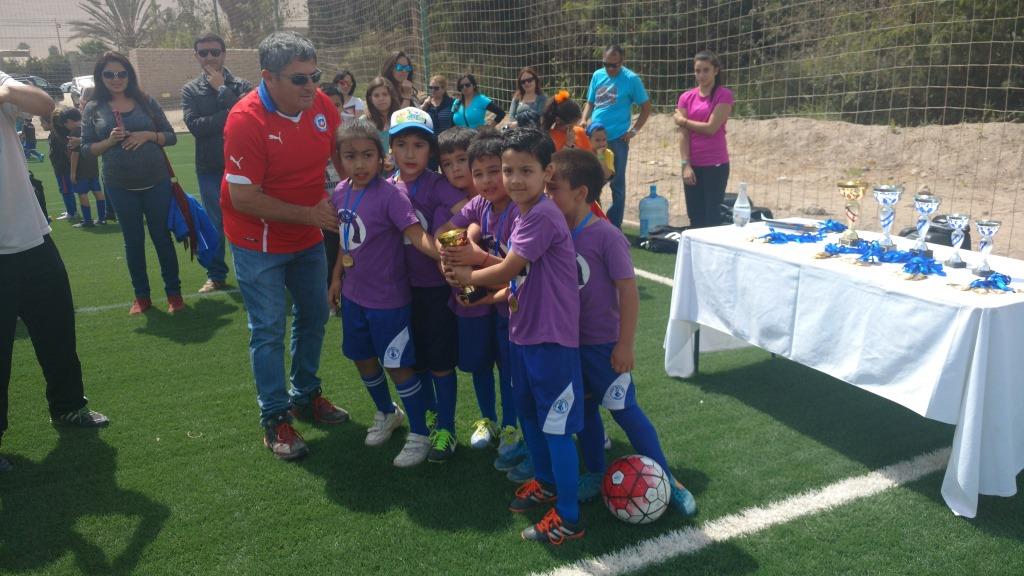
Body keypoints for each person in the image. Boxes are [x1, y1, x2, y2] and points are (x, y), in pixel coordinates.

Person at [544, 149, 698, 517]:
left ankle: (667, 479)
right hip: (568, 345)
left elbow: (628, 292)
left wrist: (625, 344)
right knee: (584, 411)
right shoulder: (555, 232)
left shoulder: (606, 236)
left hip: (603, 345)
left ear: (581, 193)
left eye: (554, 189)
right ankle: (596, 471)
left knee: (624, 410)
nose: (547, 195)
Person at [449, 128, 584, 544]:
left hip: (551, 340)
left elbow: (509, 268)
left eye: (526, 170)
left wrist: (467, 276)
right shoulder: (524, 213)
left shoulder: (542, 214)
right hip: (523, 333)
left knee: (556, 427)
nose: (514, 179)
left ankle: (569, 516)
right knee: (528, 414)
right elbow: (520, 276)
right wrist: (493, 292)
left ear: (547, 172)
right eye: (508, 170)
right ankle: (545, 482)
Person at [221, 31, 349, 461]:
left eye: (315, 75)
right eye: (299, 79)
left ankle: (306, 394)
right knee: (268, 328)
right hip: (256, 241)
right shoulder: (246, 120)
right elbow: (243, 198)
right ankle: (275, 417)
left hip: (306, 235)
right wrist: (312, 215)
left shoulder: (321, 105)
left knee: (315, 315)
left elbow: (340, 155)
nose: (310, 86)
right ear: (268, 77)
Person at [0, 69, 110, 473]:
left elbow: (45, 104)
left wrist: (4, 91)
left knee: (58, 331)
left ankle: (68, 406)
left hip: (32, 239)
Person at [327, 118, 443, 468]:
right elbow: (345, 241)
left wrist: (447, 256)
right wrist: (336, 278)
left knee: (398, 365)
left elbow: (417, 236)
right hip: (354, 296)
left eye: (367, 155)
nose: (359, 164)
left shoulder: (392, 196)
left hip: (388, 300)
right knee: (361, 357)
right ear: (339, 160)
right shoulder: (340, 192)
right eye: (350, 157)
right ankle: (387, 412)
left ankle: (420, 432)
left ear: (381, 158)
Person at [435, 130, 527, 474]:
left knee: (509, 368)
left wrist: (474, 259)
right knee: (479, 364)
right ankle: (487, 419)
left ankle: (511, 425)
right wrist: (452, 254)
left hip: (511, 306)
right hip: (480, 303)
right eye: (479, 174)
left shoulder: (521, 212)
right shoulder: (479, 205)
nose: (487, 181)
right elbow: (447, 230)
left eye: (494, 171)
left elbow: (517, 271)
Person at [386, 107, 466, 464]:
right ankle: (430, 416)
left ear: (430, 150)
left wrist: (447, 236)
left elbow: (469, 210)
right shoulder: (386, 186)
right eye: (401, 144)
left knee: (440, 362)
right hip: (397, 291)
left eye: (418, 145)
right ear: (390, 148)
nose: (409, 153)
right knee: (413, 360)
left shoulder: (437, 185)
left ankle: (447, 428)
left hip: (434, 289)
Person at [82, 52, 184, 314]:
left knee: (162, 238)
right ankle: (142, 296)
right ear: (100, 77)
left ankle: (174, 294)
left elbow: (171, 136)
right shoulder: (93, 108)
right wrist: (109, 141)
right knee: (133, 241)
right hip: (119, 185)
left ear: (129, 75)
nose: (116, 79)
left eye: (122, 73)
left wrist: (148, 135)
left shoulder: (146, 101)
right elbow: (86, 149)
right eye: (109, 74)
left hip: (156, 182)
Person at [182, 32, 254, 293]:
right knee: (216, 224)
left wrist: (222, 89)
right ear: (196, 56)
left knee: (250, 219)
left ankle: (251, 272)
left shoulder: (242, 85)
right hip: (210, 168)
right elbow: (195, 126)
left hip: (245, 166)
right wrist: (229, 112)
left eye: (214, 52)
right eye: (203, 53)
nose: (209, 57)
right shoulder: (190, 90)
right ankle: (216, 275)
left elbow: (249, 118)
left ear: (224, 54)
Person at [582, 44, 651, 228]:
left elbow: (646, 107)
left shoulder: (631, 79)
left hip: (618, 140)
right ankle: (593, 220)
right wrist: (584, 119)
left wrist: (633, 131)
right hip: (593, 138)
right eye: (606, 64)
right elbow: (590, 102)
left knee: (617, 183)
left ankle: (614, 226)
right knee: (591, 180)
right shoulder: (597, 75)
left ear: (622, 61)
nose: (610, 68)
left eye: (615, 65)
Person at [675, 50, 734, 229]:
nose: (701, 75)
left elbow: (711, 128)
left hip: (715, 164)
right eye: (697, 70)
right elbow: (683, 134)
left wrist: (684, 121)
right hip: (692, 165)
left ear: (716, 70)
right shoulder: (686, 97)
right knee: (695, 217)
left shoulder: (724, 95)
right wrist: (686, 164)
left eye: (706, 70)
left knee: (713, 218)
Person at [60, 107, 108, 227]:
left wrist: (72, 173)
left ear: (69, 121)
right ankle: (102, 219)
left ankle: (87, 220)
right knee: (97, 191)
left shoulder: (75, 133)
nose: (66, 126)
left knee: (82, 194)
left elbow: (75, 154)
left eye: (65, 123)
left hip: (81, 169)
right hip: (93, 167)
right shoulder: (88, 129)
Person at [77, 86, 115, 222]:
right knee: (104, 181)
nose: (79, 105)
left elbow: (94, 137)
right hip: (101, 157)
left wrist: (79, 141)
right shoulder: (95, 111)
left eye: (81, 101)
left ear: (86, 100)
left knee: (108, 181)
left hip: (107, 159)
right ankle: (110, 211)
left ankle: (111, 211)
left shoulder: (95, 112)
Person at [46, 110, 77, 224]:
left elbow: (66, 151)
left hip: (62, 167)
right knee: (65, 189)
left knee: (65, 190)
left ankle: (72, 212)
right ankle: (71, 210)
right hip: (60, 166)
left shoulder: (59, 135)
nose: (42, 125)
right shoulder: (56, 134)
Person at [365, 76, 400, 168]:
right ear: (370, 99)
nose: (381, 98)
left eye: (385, 94)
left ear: (391, 96)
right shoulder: (364, 123)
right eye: (376, 95)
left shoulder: (401, 119)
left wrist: (394, 162)